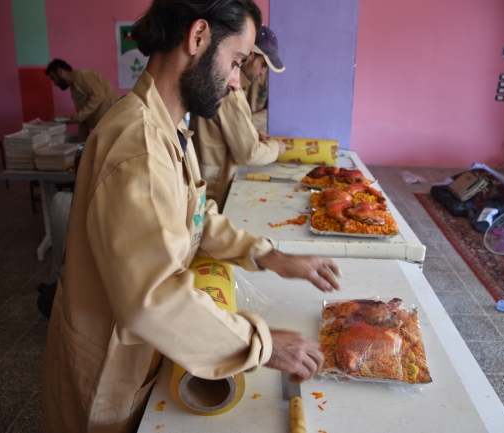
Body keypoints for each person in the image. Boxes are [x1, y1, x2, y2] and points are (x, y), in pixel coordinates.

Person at [41, 1, 341, 431]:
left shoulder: (169, 127)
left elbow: (196, 215)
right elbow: (154, 299)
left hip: (140, 353)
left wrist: (270, 256)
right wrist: (263, 344)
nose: (237, 81)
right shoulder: (139, 148)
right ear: (198, 37)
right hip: (107, 376)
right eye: (236, 61)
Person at [190, 24, 286, 211]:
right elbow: (249, 153)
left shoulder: (221, 82)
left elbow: (228, 130)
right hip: (215, 185)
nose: (262, 72)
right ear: (248, 55)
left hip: (209, 175)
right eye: (263, 64)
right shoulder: (231, 94)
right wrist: (275, 148)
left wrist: (252, 132)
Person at [45, 59, 119, 141]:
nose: (55, 84)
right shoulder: (74, 90)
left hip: (115, 125)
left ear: (60, 72)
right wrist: (82, 139)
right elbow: (84, 116)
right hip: (105, 131)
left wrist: (78, 117)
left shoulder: (83, 75)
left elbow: (99, 96)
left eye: (54, 78)